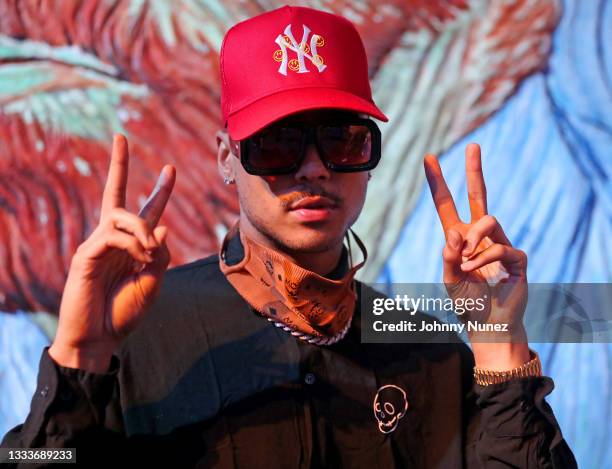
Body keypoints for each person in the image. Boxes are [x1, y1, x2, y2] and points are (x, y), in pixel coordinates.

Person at [1, 5, 577, 468]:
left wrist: (501, 345)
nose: (314, 169)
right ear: (227, 158)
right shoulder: (130, 341)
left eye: (342, 141)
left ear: (369, 160)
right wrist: (78, 358)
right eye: (277, 144)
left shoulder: (427, 348)